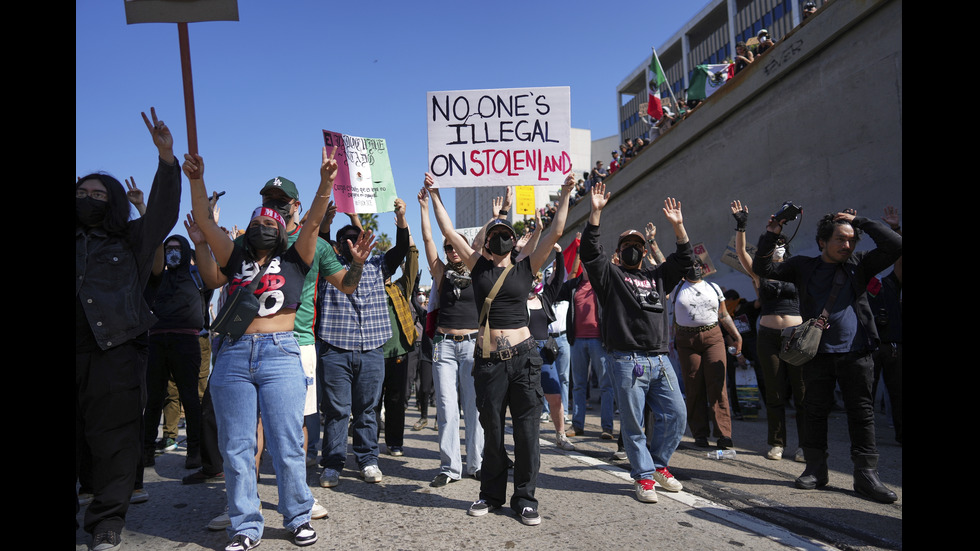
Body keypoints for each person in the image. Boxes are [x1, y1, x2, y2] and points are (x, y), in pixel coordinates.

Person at [185, 147, 352, 550]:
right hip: (235, 354)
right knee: (238, 445)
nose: (264, 220)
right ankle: (245, 526)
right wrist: (195, 179)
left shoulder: (296, 257)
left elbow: (313, 220)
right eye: (259, 216)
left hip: (280, 351)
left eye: (272, 219)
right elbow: (206, 223)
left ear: (282, 229)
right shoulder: (236, 252)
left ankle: (296, 515)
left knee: (287, 441)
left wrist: (326, 181)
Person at [426, 171, 575, 526]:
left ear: (513, 242)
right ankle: (491, 496)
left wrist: (567, 192)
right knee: (492, 431)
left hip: (523, 361)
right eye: (496, 236)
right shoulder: (477, 268)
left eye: (506, 234)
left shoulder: (526, 268)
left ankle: (524, 498)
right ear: (488, 244)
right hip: (489, 364)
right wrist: (435, 195)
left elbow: (555, 232)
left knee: (526, 432)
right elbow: (448, 231)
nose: (502, 239)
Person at [76, 107, 181, 551]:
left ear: (115, 202)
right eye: (82, 192)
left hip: (115, 351)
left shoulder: (132, 240)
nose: (89, 198)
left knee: (116, 441)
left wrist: (166, 160)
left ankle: (106, 522)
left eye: (99, 194)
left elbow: (162, 213)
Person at [752, 208, 901, 503]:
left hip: (857, 353)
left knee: (862, 414)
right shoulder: (802, 266)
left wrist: (858, 221)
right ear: (822, 242)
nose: (847, 245)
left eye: (851, 240)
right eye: (840, 239)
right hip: (816, 354)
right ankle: (816, 469)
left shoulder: (860, 264)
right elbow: (763, 268)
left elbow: (896, 245)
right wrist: (771, 234)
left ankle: (866, 476)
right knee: (815, 411)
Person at [580, 182, 692, 504]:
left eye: (637, 245)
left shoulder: (657, 277)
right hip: (627, 362)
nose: (632, 248)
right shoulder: (609, 276)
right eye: (626, 244)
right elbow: (590, 251)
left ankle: (658, 464)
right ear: (619, 250)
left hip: (660, 360)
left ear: (644, 251)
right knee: (633, 424)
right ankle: (643, 477)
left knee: (676, 415)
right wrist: (596, 213)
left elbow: (684, 260)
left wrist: (679, 226)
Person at [317, 198, 410, 488]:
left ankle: (368, 460)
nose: (352, 243)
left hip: (371, 350)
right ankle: (332, 463)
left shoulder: (377, 266)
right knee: (336, 411)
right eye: (345, 240)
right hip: (335, 348)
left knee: (367, 410)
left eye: (356, 238)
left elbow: (402, 249)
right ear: (339, 244)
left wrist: (401, 217)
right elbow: (319, 243)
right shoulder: (328, 265)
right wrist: (327, 223)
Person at [417, 187, 486, 487]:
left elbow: (484, 239)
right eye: (448, 248)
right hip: (443, 347)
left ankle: (477, 463)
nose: (451, 251)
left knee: (474, 407)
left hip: (472, 345)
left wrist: (500, 212)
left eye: (455, 246)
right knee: (446, 407)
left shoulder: (479, 269)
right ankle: (449, 467)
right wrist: (424, 205)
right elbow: (429, 239)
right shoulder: (440, 273)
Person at [730, 200, 806, 462]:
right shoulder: (759, 274)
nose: (778, 248)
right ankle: (776, 442)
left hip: (796, 337)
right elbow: (741, 252)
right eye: (775, 244)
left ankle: (806, 445)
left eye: (782, 244)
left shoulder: (796, 269)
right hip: (769, 337)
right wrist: (742, 225)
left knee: (801, 392)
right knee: (774, 392)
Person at [671, 261, 741, 450]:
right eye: (690, 264)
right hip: (687, 341)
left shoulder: (714, 287)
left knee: (717, 384)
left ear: (703, 268)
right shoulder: (677, 287)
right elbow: (663, 263)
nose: (694, 267)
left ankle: (724, 435)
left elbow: (724, 315)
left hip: (713, 336)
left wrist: (736, 335)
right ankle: (699, 434)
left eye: (697, 264)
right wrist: (653, 243)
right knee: (693, 385)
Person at [376, 240, 420, 458]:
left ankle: (394, 442)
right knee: (371, 402)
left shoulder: (399, 287)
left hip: (399, 352)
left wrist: (410, 245)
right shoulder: (368, 287)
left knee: (395, 399)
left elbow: (412, 268)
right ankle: (368, 442)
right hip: (373, 353)